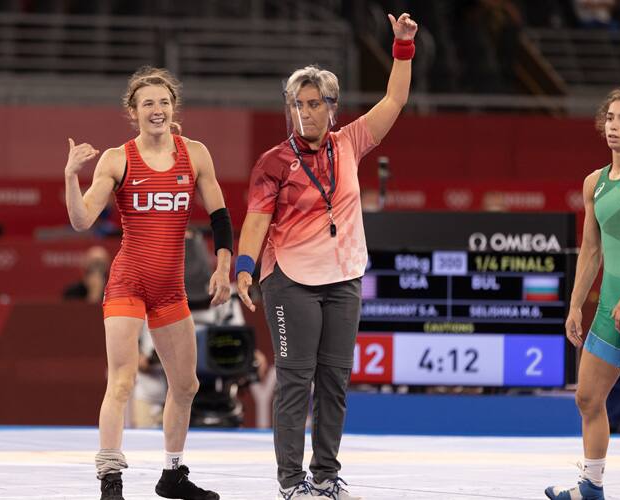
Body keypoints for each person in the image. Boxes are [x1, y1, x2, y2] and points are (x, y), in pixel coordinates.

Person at [235, 12, 417, 500]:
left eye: (315, 104)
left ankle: (325, 474)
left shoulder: (350, 142)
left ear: (332, 107)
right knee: (296, 381)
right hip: (290, 280)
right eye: (298, 105)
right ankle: (291, 480)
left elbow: (395, 98)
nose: (306, 113)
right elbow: (255, 219)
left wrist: (402, 46)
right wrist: (245, 267)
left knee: (334, 382)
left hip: (343, 278)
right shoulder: (274, 162)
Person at [64, 65, 233, 500]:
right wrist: (69, 177)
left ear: (173, 108)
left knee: (187, 385)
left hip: (170, 290)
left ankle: (172, 475)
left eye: (163, 102)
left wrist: (223, 265)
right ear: (133, 112)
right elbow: (82, 220)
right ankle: (110, 476)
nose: (157, 110)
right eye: (147, 104)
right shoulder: (117, 158)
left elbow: (219, 215)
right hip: (128, 282)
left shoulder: (195, 154)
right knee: (121, 381)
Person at [545, 86, 620, 500]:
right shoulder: (595, 182)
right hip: (610, 305)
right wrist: (575, 305)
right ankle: (590, 485)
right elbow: (591, 250)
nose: (614, 125)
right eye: (610, 118)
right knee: (588, 397)